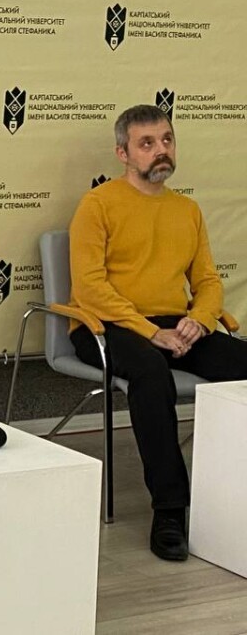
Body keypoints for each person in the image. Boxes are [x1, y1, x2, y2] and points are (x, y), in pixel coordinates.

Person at [68, 104, 247, 561]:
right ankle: (170, 510)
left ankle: (232, 496)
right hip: (104, 326)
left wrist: (199, 320)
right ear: (123, 153)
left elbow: (207, 281)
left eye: (166, 140)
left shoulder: (187, 210)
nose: (160, 150)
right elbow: (89, 287)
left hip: (173, 324)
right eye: (146, 143)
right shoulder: (98, 205)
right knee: (151, 373)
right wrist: (150, 332)